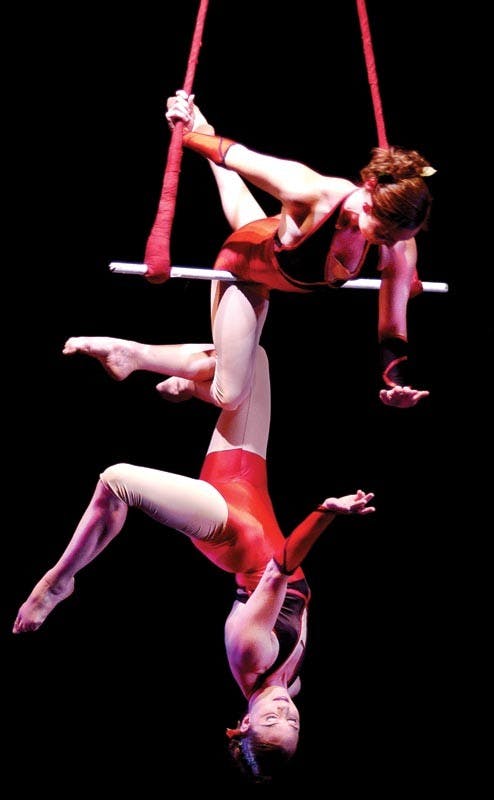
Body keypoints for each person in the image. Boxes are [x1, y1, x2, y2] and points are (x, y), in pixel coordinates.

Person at [13, 341, 375, 783]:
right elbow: (287, 686)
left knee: (117, 480)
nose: (284, 713)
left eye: (271, 723)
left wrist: (326, 513)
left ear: (242, 723)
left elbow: (280, 567)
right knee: (252, 359)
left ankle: (58, 582)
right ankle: (199, 389)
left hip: (228, 529)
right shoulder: (289, 684)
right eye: (294, 724)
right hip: (247, 491)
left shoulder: (252, 653)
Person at [157, 89, 435, 411]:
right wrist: (185, 132)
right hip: (246, 263)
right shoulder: (311, 192)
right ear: (370, 197)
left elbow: (392, 328)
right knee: (229, 395)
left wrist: (395, 383)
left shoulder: (399, 245)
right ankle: (132, 355)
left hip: (277, 246)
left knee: (249, 212)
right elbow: (238, 157)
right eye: (385, 233)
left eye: (400, 237)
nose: (389, 243)